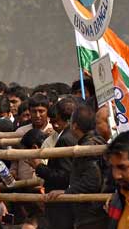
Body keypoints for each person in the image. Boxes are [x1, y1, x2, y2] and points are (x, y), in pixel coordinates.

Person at [33, 97, 76, 229]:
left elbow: (63, 176)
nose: (54, 125)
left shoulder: (65, 139)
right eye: (52, 122)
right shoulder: (68, 136)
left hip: (61, 202)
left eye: (56, 121)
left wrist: (39, 166)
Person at [64, 103, 107, 229]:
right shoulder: (98, 141)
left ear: (74, 125)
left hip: (91, 213)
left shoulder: (87, 148)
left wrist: (66, 192)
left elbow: (92, 181)